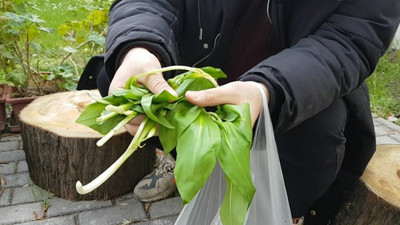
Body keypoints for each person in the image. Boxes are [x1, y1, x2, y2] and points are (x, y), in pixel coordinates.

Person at [93, 0, 400, 224]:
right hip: (202, 62)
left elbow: (348, 41)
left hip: (289, 82)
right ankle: (177, 161)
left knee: (318, 132)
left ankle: (286, 212)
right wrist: (139, 47)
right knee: (124, 81)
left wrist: (264, 89)